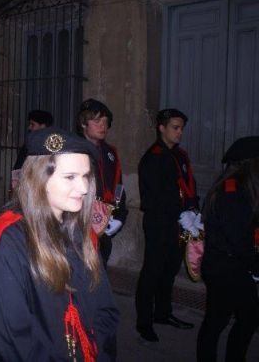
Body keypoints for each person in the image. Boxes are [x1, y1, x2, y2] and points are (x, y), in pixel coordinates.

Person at [0, 127, 119, 361]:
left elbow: (104, 311)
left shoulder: (81, 233)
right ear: (40, 178)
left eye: (86, 176)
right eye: (70, 177)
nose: (83, 188)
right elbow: (12, 341)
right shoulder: (4, 242)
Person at [135, 108, 198, 342]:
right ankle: (144, 322)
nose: (180, 132)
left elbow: (188, 185)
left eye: (182, 128)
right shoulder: (154, 157)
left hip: (179, 223)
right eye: (175, 127)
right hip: (159, 223)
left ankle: (163, 313)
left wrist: (193, 210)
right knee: (152, 271)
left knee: (170, 270)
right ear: (161, 128)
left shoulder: (180, 155)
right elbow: (155, 196)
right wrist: (179, 212)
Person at [196, 136, 259, 361]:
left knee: (221, 320)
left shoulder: (238, 188)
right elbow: (238, 237)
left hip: (227, 265)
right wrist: (255, 265)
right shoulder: (232, 191)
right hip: (226, 268)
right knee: (234, 319)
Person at [77, 99, 128, 265]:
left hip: (106, 225)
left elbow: (118, 186)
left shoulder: (110, 152)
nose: (103, 126)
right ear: (84, 123)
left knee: (101, 272)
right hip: (80, 225)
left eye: (106, 121)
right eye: (97, 120)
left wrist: (119, 216)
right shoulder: (75, 151)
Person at [12, 109, 53, 187]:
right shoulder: (29, 143)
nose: (29, 127)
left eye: (32, 124)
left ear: (43, 126)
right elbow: (19, 165)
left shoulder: (52, 145)